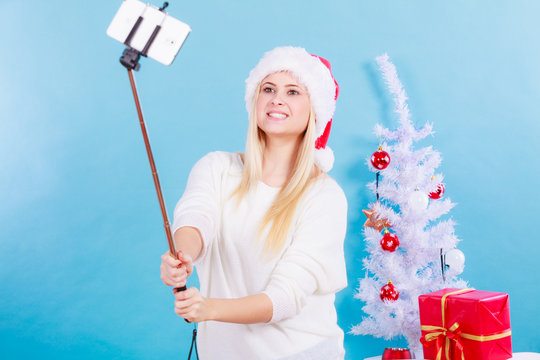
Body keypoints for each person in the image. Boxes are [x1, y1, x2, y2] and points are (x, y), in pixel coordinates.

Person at [160, 46, 348, 359]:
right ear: (254, 100)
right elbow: (196, 218)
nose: (277, 99)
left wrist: (209, 308)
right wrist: (183, 256)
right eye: (269, 89)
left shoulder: (324, 196)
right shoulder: (216, 167)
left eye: (293, 92)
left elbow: (285, 298)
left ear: (315, 110)